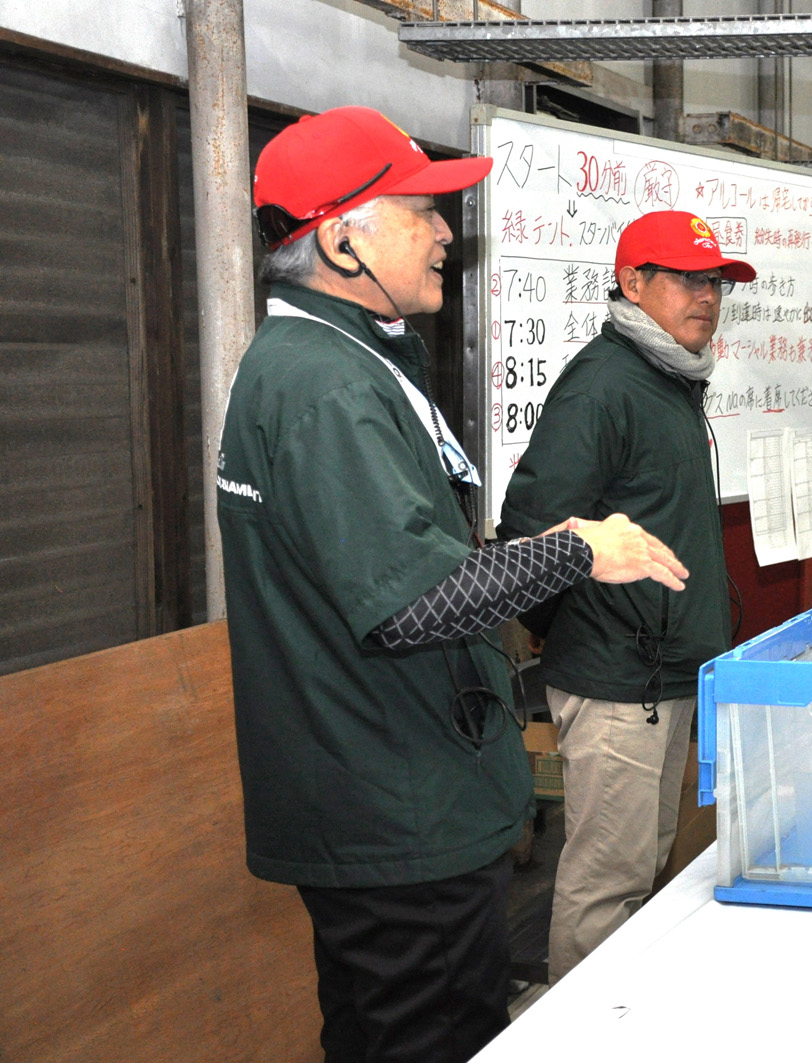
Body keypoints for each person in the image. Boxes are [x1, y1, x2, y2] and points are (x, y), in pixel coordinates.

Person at [219, 107, 687, 1063]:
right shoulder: (325, 385)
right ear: (341, 239)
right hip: (397, 802)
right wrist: (576, 552)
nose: (445, 233)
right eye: (420, 210)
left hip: (375, 790)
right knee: (436, 1035)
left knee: (374, 1033)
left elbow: (387, 556)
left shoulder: (333, 357)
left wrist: (546, 544)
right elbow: (407, 602)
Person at [496, 211, 750, 982]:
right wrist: (595, 631)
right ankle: (579, 1029)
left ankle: (619, 1018)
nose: (706, 297)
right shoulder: (606, 384)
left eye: (715, 282)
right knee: (606, 885)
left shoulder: (669, 376)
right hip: (618, 681)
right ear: (633, 283)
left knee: (640, 869)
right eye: (687, 279)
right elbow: (531, 534)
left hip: (661, 672)